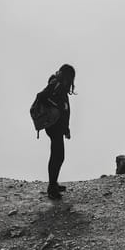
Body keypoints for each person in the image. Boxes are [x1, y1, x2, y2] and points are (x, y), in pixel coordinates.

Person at [37, 64, 76, 200]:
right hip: (54, 127)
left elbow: (65, 111)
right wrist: (54, 106)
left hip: (57, 127)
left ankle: (53, 184)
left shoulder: (60, 85)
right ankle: (52, 188)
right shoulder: (56, 83)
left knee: (57, 156)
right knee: (57, 156)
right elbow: (41, 96)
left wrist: (66, 129)